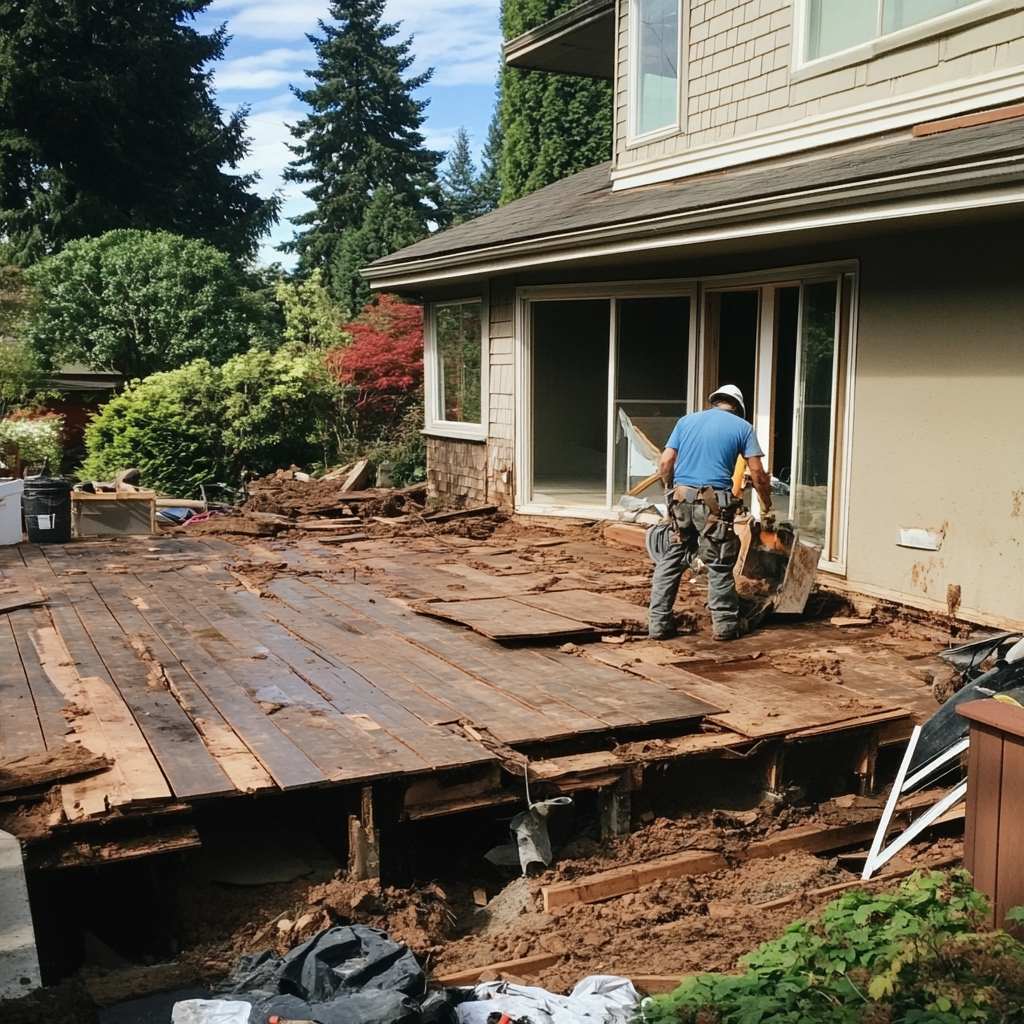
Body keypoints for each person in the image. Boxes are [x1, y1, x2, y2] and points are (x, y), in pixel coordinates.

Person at [647, 384, 773, 642]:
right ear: (737, 407)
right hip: (714, 507)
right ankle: (726, 626)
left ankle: (658, 625)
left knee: (672, 561)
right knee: (718, 563)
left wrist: (671, 491)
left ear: (715, 401)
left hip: (681, 501)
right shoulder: (742, 428)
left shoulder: (686, 421)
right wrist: (767, 502)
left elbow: (665, 462)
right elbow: (758, 474)